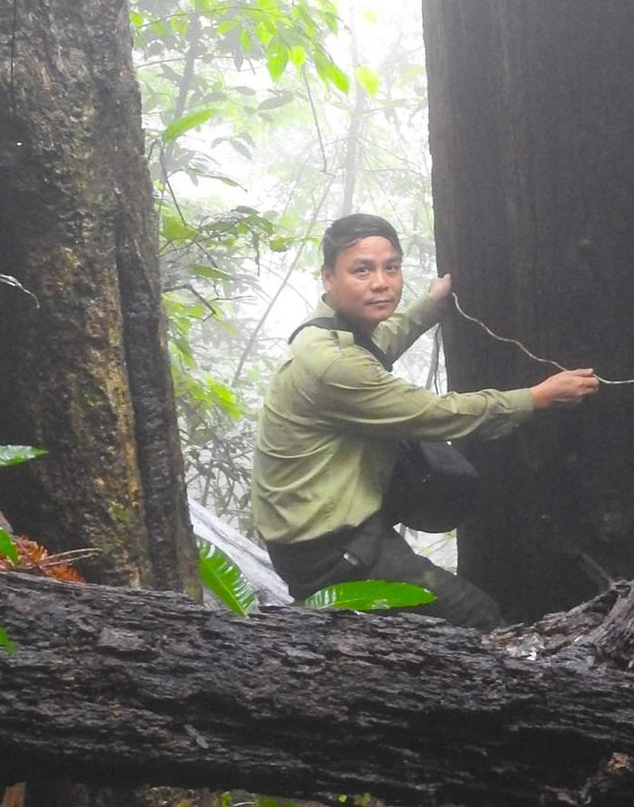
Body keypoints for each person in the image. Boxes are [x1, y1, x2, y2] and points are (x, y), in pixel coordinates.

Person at [251, 212, 599, 626]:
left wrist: (432, 303)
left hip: (327, 531)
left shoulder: (333, 332)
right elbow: (436, 414)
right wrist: (538, 397)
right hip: (327, 550)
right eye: (362, 270)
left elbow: (381, 340)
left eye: (391, 268)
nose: (381, 282)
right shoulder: (332, 362)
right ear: (328, 277)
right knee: (477, 617)